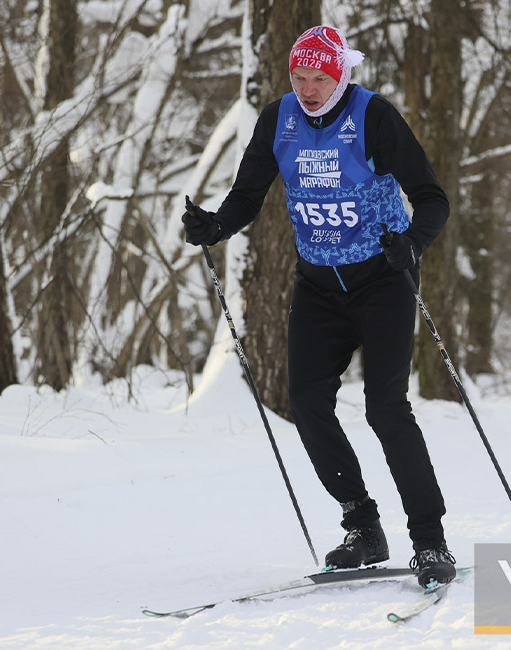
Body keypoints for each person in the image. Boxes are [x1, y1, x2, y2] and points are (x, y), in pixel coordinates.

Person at [181, 25, 454, 587]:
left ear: (341, 74)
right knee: (306, 404)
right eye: (299, 77)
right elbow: (249, 193)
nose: (308, 89)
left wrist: (413, 242)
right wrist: (215, 226)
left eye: (319, 78)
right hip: (317, 286)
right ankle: (362, 524)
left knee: (385, 408)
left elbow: (432, 198)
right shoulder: (279, 118)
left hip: (383, 277)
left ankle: (429, 540)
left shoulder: (373, 116)